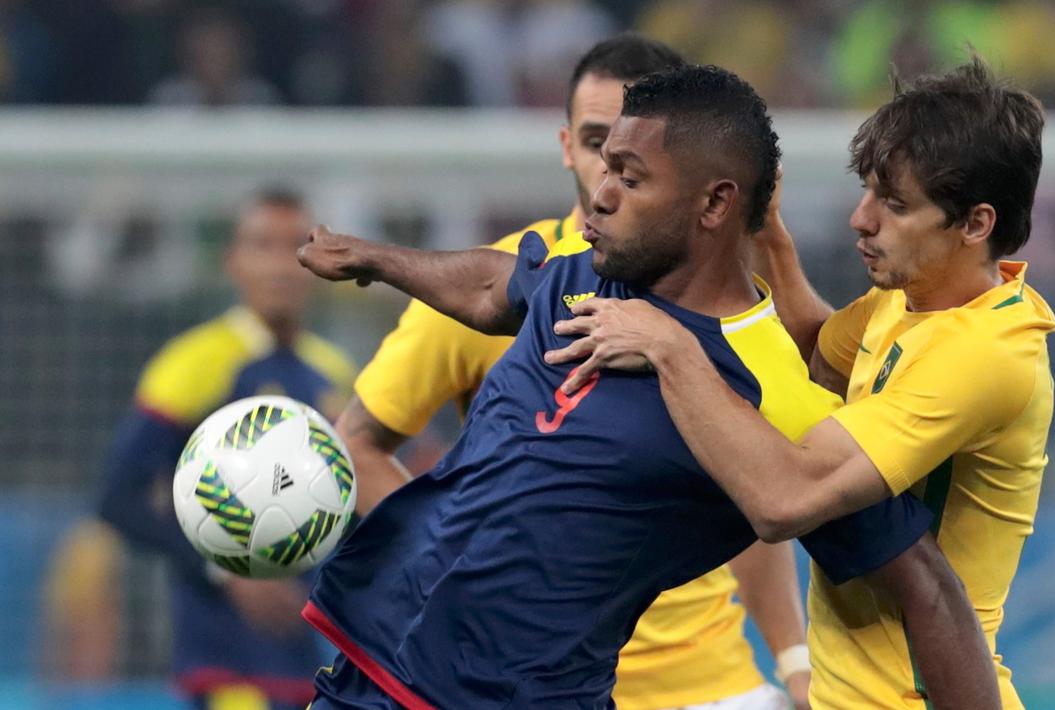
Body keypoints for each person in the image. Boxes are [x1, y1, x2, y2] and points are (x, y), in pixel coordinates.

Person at [297, 64, 998, 709]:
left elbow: (925, 585)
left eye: (629, 179)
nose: (598, 197)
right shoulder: (585, 276)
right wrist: (374, 258)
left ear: (713, 204)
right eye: (605, 168)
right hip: (367, 666)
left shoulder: (766, 385)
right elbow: (491, 286)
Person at [547, 57, 1055, 709]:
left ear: (975, 224)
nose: (860, 219)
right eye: (868, 190)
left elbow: (787, 497)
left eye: (894, 204)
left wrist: (669, 347)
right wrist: (768, 237)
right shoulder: (916, 297)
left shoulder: (984, 352)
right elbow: (815, 354)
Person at [336, 34, 810, 710]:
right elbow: (358, 438)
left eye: (636, 163)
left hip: (703, 686)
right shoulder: (509, 277)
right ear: (567, 145)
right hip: (506, 681)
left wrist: (794, 658)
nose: (606, 179)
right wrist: (456, 579)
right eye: (597, 146)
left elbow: (757, 495)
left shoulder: (732, 320)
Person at [97, 189, 355, 710]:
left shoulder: (335, 373)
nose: (282, 266)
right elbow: (117, 497)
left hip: (315, 662)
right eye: (262, 245)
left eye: (296, 247)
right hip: (224, 662)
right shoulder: (194, 364)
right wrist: (223, 568)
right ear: (232, 262)